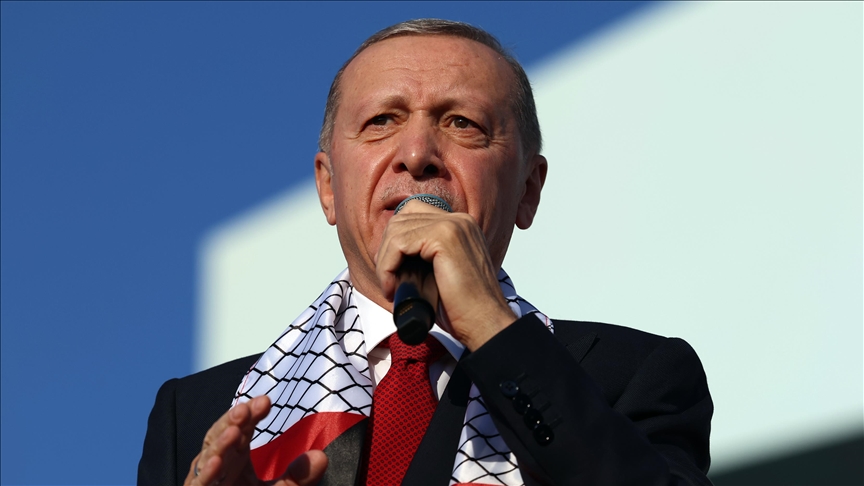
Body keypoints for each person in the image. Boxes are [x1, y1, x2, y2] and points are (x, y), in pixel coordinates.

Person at [139, 19, 713, 486]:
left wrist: (490, 325)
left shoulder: (634, 375)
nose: (416, 154)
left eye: (462, 123)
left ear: (528, 190)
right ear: (328, 187)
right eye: (381, 121)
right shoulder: (200, 415)